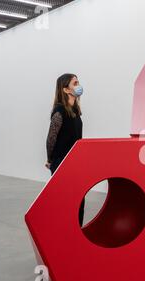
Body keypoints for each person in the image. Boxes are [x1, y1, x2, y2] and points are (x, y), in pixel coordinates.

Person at [45, 73, 85, 226]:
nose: (78, 86)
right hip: (61, 162)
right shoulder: (59, 111)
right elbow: (51, 138)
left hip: (75, 162)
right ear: (66, 90)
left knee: (79, 201)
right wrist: (50, 160)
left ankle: (76, 232)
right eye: (75, 83)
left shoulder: (76, 112)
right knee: (65, 202)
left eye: (78, 82)